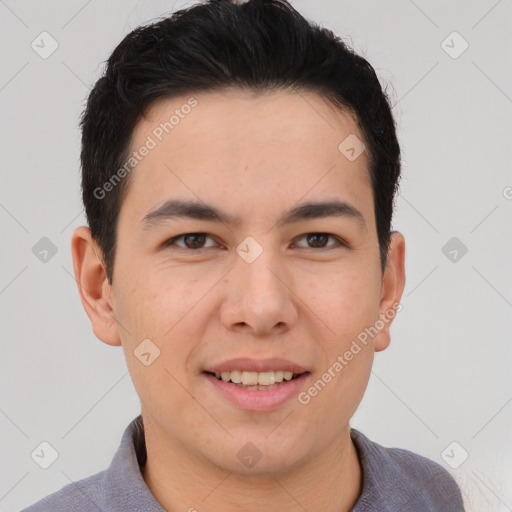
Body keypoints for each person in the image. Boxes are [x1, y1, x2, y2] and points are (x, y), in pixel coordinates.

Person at [22, 0, 465, 510]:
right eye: (194, 240)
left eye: (317, 239)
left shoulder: (440, 498)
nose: (261, 308)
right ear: (100, 287)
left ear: (386, 287)